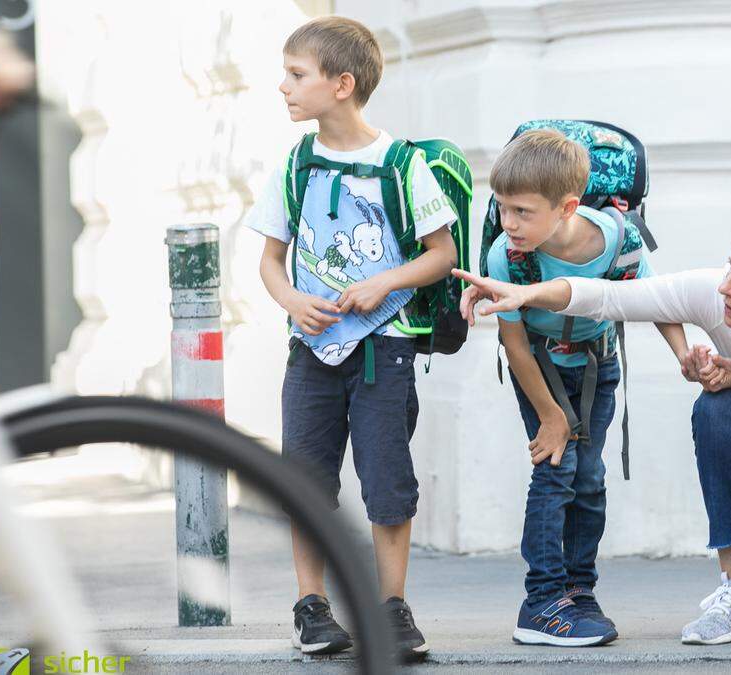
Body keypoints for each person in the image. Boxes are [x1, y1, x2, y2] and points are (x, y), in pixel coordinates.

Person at [455, 211, 731, 645]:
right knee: (716, 407)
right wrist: (525, 294)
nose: (725, 287)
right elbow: (614, 297)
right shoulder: (719, 298)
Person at [243, 16, 457, 660]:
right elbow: (270, 260)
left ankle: (392, 609)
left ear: (342, 84)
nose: (283, 86)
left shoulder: (402, 165)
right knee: (306, 480)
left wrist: (383, 281)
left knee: (387, 481)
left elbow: (441, 254)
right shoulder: (295, 164)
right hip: (309, 352)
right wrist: (290, 300)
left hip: (383, 349)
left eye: (296, 74)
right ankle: (313, 608)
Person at [475, 129, 688, 647]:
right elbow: (516, 346)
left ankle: (578, 590)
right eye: (502, 208)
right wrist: (550, 415)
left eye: (523, 212)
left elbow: (655, 298)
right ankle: (542, 600)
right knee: (557, 471)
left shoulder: (618, 239)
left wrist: (685, 357)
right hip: (541, 371)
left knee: (589, 480)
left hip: (597, 367)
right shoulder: (508, 255)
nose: (508, 224)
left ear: (567, 206)